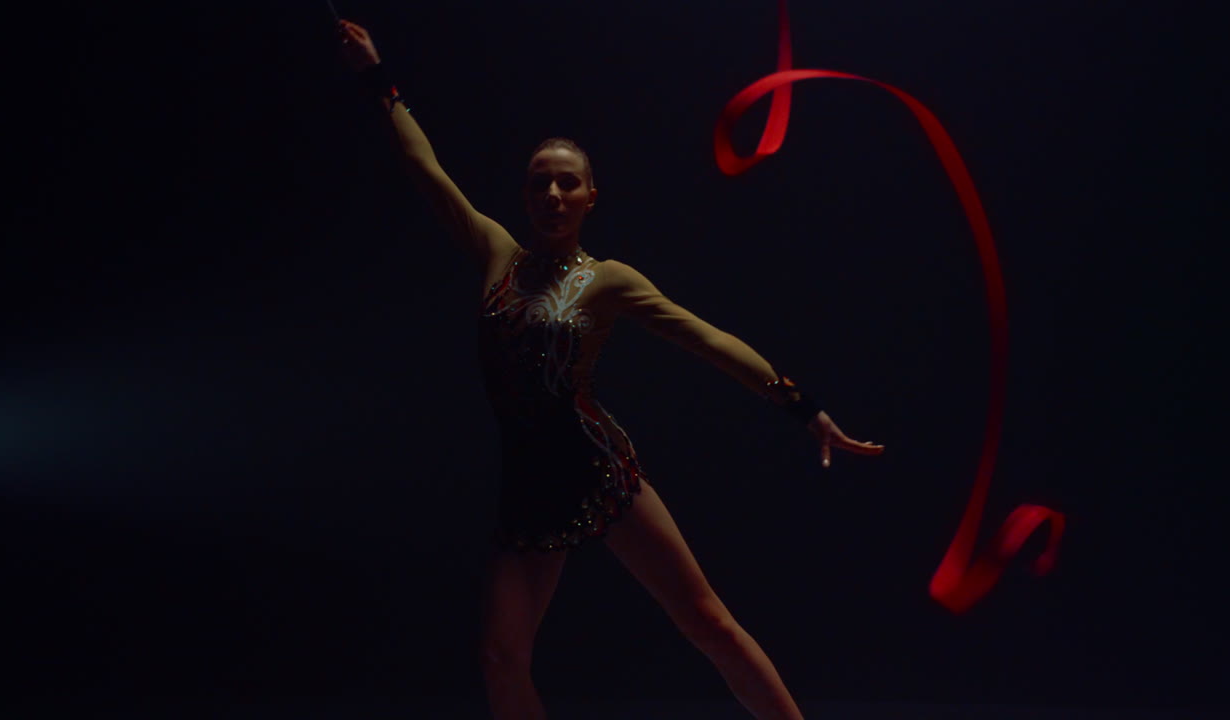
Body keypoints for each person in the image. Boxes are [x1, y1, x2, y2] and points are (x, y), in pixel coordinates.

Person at [337, 18, 884, 720]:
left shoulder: (608, 281)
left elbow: (710, 341)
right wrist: (373, 74)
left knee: (706, 622)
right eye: (542, 183)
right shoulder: (497, 255)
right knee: (500, 657)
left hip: (596, 466)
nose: (555, 195)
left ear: (591, 196)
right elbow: (426, 168)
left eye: (569, 183)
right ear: (527, 195)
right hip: (527, 486)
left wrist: (803, 407)